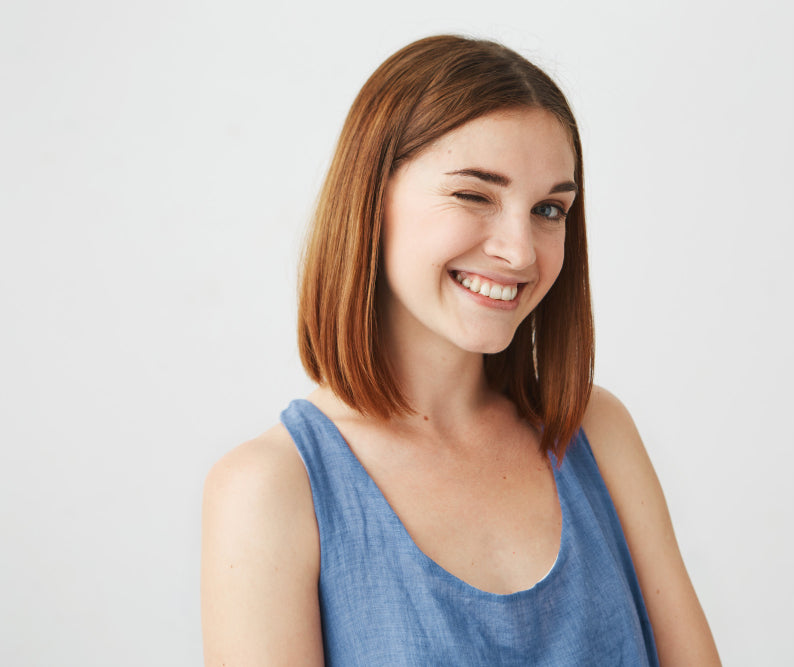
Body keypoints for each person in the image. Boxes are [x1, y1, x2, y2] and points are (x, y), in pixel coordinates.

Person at [201, 35, 721, 666]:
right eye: (475, 195)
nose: (521, 251)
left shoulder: (594, 431)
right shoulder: (271, 489)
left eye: (549, 209)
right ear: (371, 202)